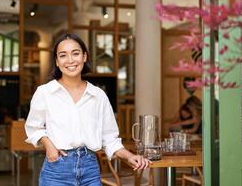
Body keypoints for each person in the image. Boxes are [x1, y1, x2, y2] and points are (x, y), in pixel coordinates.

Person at [24, 33, 150, 186]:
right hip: (56, 170)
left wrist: (129, 156)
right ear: (57, 62)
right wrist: (48, 145)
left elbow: (109, 139)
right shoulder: (45, 92)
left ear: (84, 57)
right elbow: (33, 127)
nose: (70, 60)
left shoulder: (98, 95)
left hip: (90, 169)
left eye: (75, 53)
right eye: (63, 55)